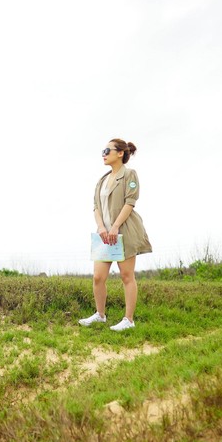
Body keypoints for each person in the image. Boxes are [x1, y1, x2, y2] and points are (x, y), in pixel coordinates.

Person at [79, 139, 152, 331]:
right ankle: (100, 315)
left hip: (123, 232)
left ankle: (128, 320)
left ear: (120, 153)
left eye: (107, 150)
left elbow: (130, 202)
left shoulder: (129, 174)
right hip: (104, 236)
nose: (103, 154)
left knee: (127, 276)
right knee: (98, 277)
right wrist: (101, 226)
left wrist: (115, 226)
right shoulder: (102, 180)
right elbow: (96, 206)